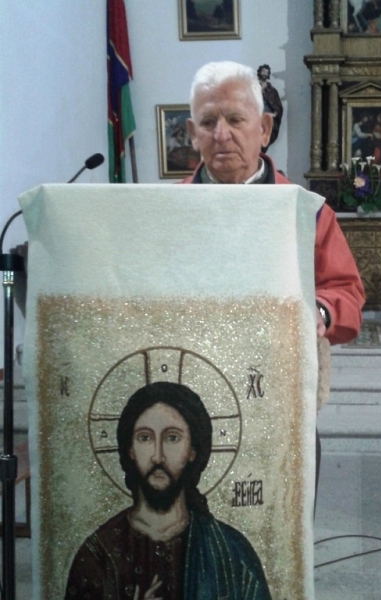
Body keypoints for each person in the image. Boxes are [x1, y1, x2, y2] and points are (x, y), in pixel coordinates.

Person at [184, 60, 365, 346]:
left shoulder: (306, 212)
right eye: (208, 122)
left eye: (235, 119)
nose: (221, 134)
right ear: (194, 134)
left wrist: (319, 311)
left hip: (279, 362)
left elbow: (345, 292)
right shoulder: (166, 209)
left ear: (264, 128)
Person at [65, 382, 272, 600]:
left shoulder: (231, 551)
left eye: (172, 438)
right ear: (130, 450)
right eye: (145, 438)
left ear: (192, 450)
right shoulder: (98, 555)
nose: (158, 456)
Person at [257, 64, 283, 151]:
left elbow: (278, 107)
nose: (265, 73)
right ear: (259, 72)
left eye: (266, 72)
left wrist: (274, 114)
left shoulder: (272, 91)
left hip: (267, 116)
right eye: (263, 71)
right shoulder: (254, 88)